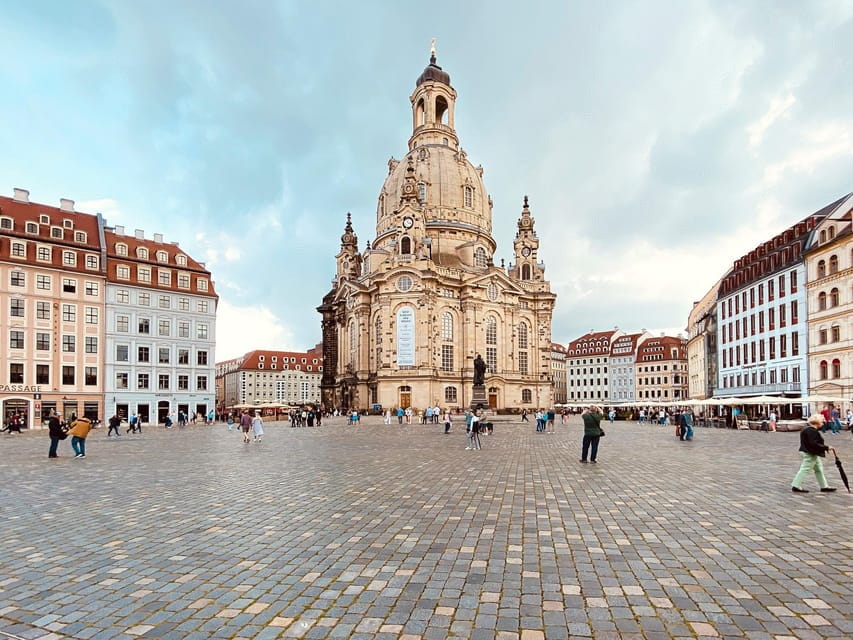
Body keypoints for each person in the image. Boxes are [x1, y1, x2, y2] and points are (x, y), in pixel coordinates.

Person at [791, 414, 836, 493]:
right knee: (805, 469)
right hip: (810, 453)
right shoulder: (812, 431)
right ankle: (796, 485)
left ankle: (824, 486)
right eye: (822, 422)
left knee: (819, 469)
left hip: (809, 452)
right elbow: (814, 443)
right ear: (817, 422)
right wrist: (826, 447)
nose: (823, 424)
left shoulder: (806, 429)